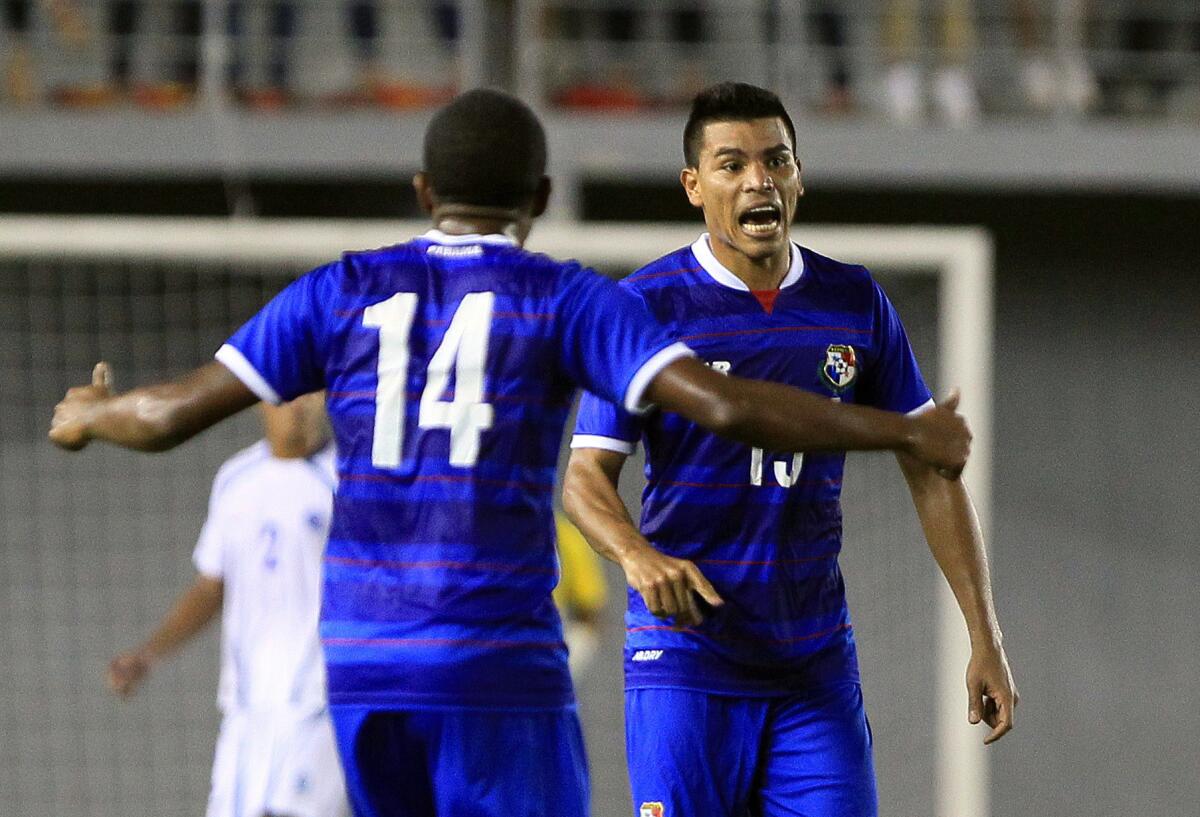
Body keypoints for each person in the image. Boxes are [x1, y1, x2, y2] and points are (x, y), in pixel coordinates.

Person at [50, 88, 972, 816]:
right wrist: (900, 428)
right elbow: (726, 407)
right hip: (497, 659)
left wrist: (96, 411)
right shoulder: (567, 300)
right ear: (537, 198)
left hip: (366, 663)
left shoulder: (340, 290)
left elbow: (172, 411)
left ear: (422, 193)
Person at [564, 82, 1018, 817]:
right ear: (693, 185)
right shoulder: (644, 307)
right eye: (731, 164)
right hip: (688, 662)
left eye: (776, 160)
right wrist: (637, 555)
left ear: (799, 176)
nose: (758, 180)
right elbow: (585, 476)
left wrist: (984, 633)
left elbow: (933, 471)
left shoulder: (854, 302)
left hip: (812, 664)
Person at [106, 393, 349, 817]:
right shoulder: (235, 479)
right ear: (261, 402)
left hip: (320, 701)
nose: (299, 406)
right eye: (288, 394)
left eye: (311, 393)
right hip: (246, 708)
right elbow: (211, 586)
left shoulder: (345, 480)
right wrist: (147, 655)